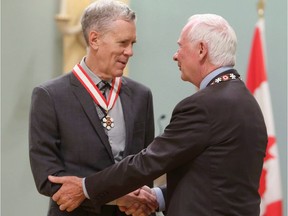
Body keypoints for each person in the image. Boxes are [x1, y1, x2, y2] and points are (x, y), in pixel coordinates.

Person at [48, 13, 268, 216]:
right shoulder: (246, 100)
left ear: (201, 50)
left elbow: (148, 161)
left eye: (180, 47)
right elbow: (217, 180)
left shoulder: (205, 105)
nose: (175, 56)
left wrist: (86, 187)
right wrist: (156, 196)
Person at [29, 0, 158, 215]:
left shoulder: (141, 95)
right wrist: (117, 198)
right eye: (123, 43)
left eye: (132, 43)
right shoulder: (50, 96)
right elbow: (48, 178)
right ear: (95, 39)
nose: (130, 52)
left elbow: (147, 167)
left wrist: (137, 200)